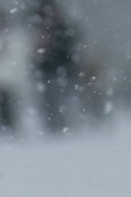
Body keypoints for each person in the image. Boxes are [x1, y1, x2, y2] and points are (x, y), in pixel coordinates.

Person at [30, 0, 78, 135]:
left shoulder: (64, 29)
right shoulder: (39, 30)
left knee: (62, 102)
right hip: (46, 72)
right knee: (48, 103)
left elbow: (70, 49)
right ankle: (53, 129)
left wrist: (51, 45)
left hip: (63, 72)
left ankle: (63, 128)